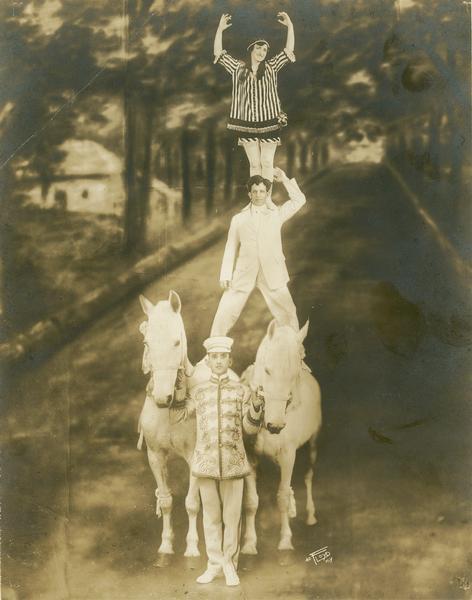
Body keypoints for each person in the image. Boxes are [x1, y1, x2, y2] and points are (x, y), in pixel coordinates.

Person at [192, 336, 263, 587]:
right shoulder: (197, 392)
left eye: (223, 357)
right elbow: (179, 416)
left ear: (229, 360)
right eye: (215, 357)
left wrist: (256, 406)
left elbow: (250, 430)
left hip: (234, 462)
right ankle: (213, 565)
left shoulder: (241, 391)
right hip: (205, 463)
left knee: (232, 517)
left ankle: (230, 565)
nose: (219, 361)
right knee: (210, 516)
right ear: (208, 360)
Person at [210, 167, 306, 336]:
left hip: (272, 271)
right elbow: (231, 247)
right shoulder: (239, 219)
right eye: (255, 191)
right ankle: (214, 350)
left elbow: (299, 200)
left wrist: (284, 179)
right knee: (225, 311)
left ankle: (294, 349)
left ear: (267, 193)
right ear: (249, 194)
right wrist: (225, 274)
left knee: (288, 311)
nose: (259, 195)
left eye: (262, 191)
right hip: (245, 271)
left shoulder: (276, 214)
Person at [213, 12, 296, 182]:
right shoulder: (238, 68)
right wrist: (220, 29)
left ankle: (266, 203)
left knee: (266, 162)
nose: (262, 52)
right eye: (258, 48)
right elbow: (219, 54)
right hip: (246, 123)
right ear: (251, 49)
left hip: (270, 120)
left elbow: (289, 51)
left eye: (265, 49)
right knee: (254, 164)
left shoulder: (272, 66)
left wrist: (291, 26)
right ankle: (257, 203)